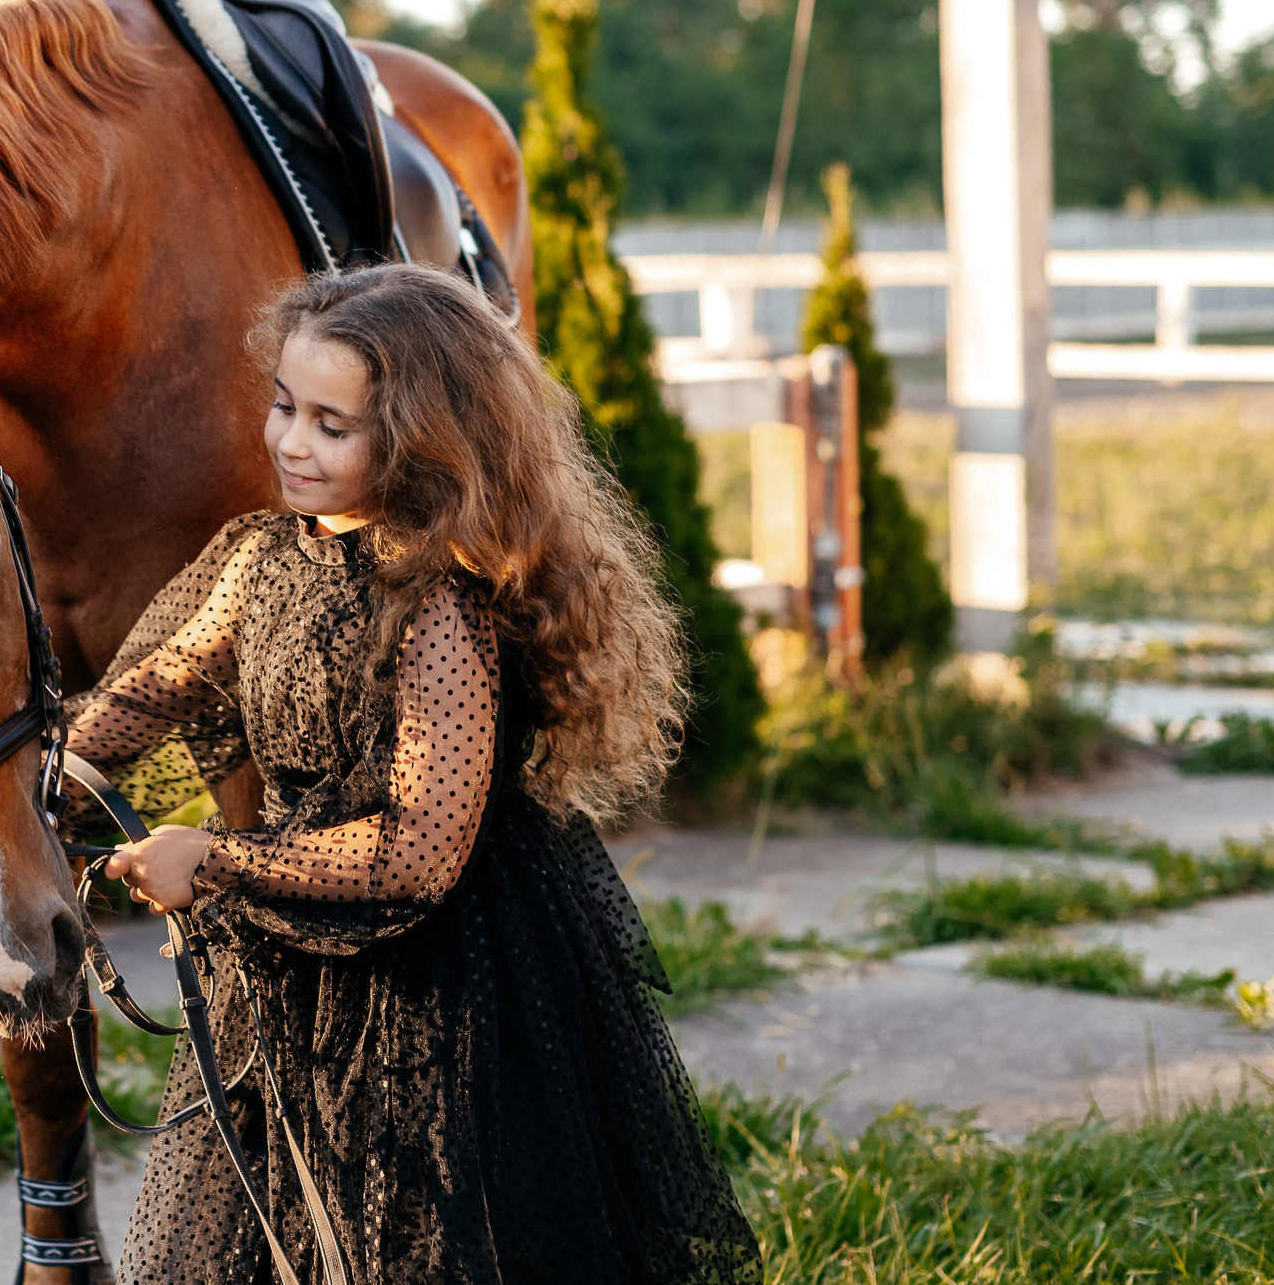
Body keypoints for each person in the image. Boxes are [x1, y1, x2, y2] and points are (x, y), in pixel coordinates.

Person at [74, 263, 760, 1284]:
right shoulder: (263, 556)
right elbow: (163, 681)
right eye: (281, 406)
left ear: (420, 437)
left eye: (330, 423)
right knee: (276, 1219)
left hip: (446, 977)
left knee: (421, 1232)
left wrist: (212, 859)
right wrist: (48, 773)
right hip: (294, 938)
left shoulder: (438, 601)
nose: (291, 441)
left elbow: (414, 851)